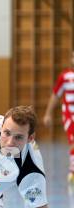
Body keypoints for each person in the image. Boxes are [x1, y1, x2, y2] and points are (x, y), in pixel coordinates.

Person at [43, 52, 74, 183]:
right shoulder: (65, 77)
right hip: (70, 115)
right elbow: (55, 96)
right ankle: (72, 171)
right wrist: (48, 113)